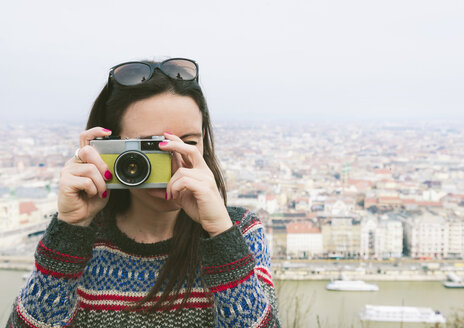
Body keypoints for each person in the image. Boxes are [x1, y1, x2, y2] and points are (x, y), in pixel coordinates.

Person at [8, 58, 280, 327]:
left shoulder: (240, 232)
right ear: (109, 148)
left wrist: (220, 233)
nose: (173, 163)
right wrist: (69, 230)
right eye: (150, 147)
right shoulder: (75, 239)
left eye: (188, 143)